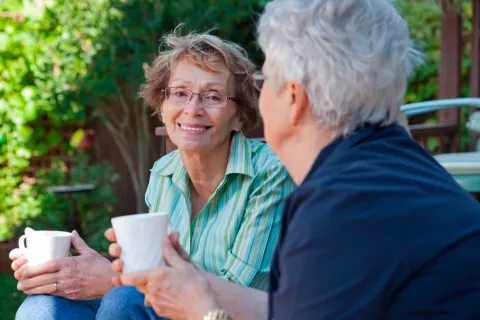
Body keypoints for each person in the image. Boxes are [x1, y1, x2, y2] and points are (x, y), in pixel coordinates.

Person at [112, 0, 480, 319]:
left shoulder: (338, 206)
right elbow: (294, 310)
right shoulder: (392, 167)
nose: (258, 94)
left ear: (293, 98)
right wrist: (195, 281)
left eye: (265, 78)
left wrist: (203, 313)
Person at [10, 31, 295, 319]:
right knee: (42, 307)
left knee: (124, 299)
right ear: (162, 107)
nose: (192, 109)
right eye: (180, 93)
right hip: (166, 308)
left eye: (213, 96)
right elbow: (151, 269)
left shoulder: (269, 173)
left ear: (239, 115)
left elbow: (237, 293)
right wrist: (76, 273)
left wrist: (112, 278)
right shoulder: (163, 174)